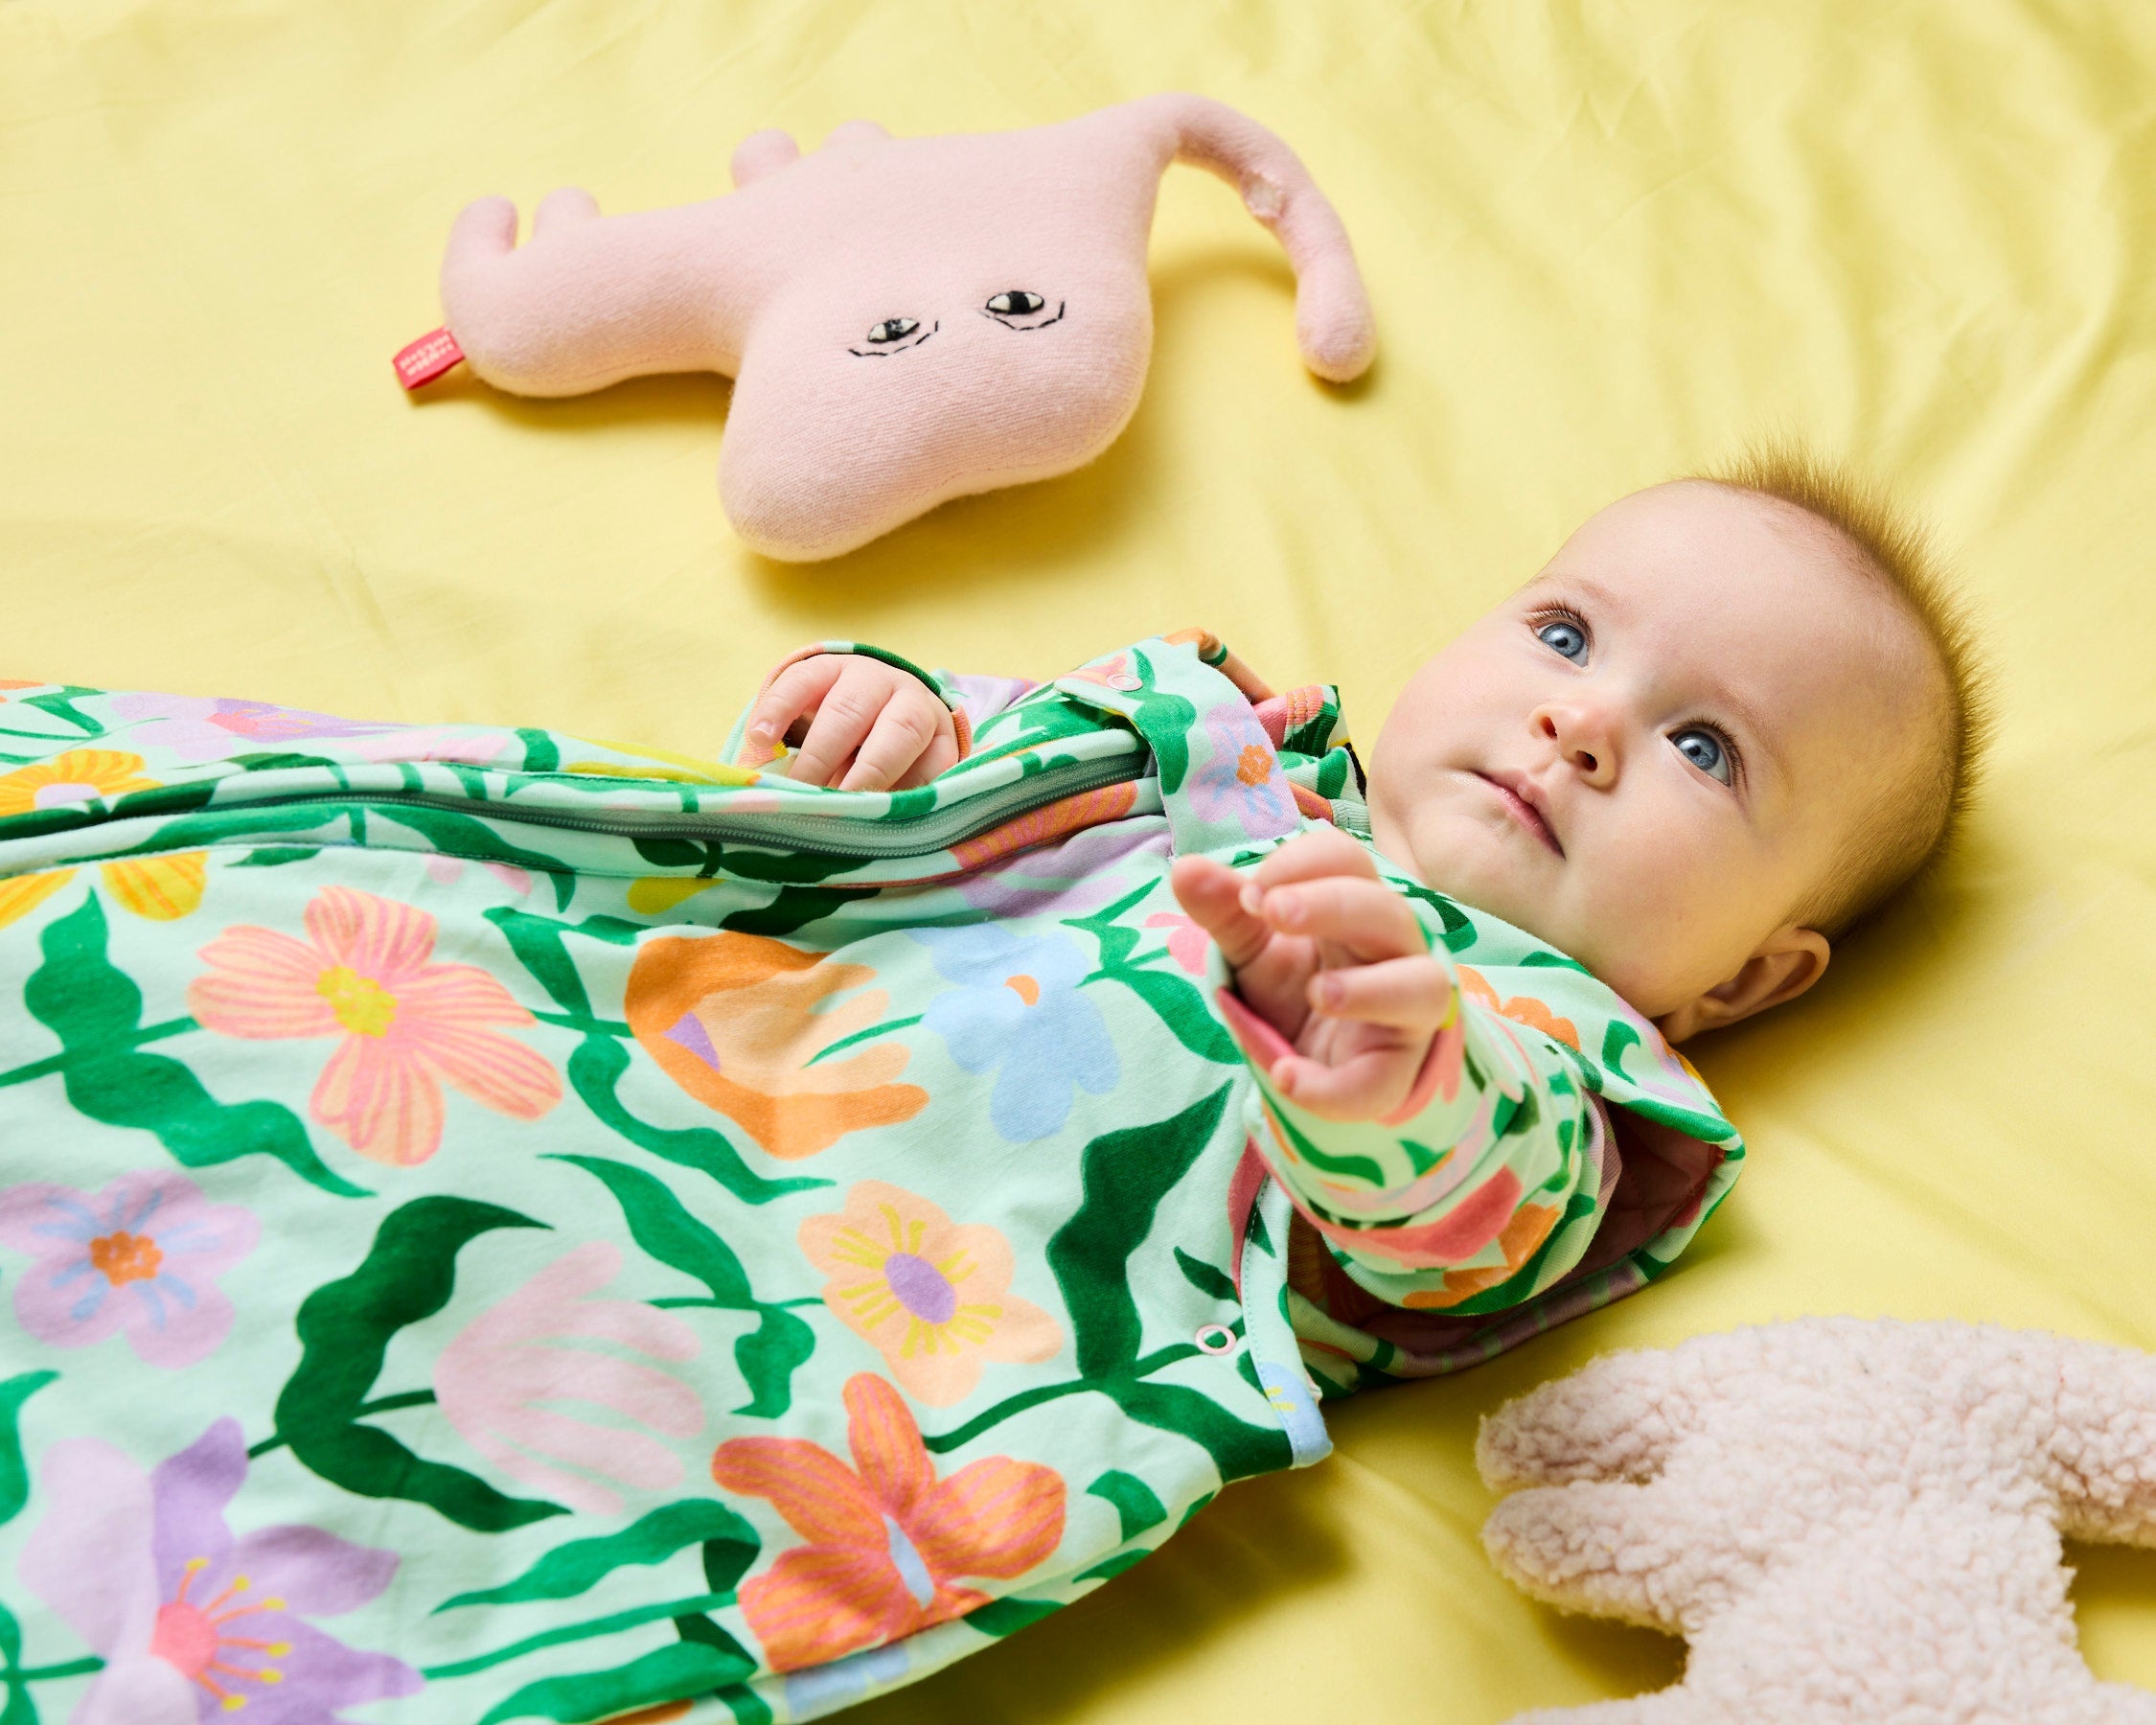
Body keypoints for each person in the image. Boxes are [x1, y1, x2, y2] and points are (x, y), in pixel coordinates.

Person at [0, 448, 1984, 1723]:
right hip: (646, 991)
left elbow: (1467, 1223)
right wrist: (886, 713)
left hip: (805, 1277)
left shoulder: (1564, 1057)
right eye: (1564, 632)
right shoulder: (1207, 737)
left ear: (1751, 975)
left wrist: (1388, 1070)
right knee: (210, 969)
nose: (1582, 722)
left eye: (1707, 750)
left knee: (344, 1370)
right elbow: (930, 780)